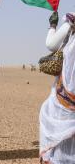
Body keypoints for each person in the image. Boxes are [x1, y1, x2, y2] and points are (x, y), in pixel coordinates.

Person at [39, 12, 75, 164]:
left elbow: (51, 44)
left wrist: (52, 26)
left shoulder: (72, 18)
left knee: (56, 116)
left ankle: (59, 158)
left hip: (70, 79)